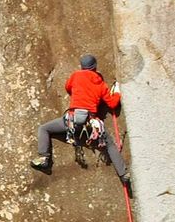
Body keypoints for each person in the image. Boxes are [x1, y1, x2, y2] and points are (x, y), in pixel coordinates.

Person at [30, 53, 128, 183]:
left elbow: (68, 87)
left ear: (82, 66)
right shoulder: (100, 83)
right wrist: (116, 92)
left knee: (44, 129)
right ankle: (123, 174)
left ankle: (44, 157)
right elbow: (113, 104)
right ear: (95, 67)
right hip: (91, 123)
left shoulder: (76, 76)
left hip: (72, 120)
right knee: (109, 145)